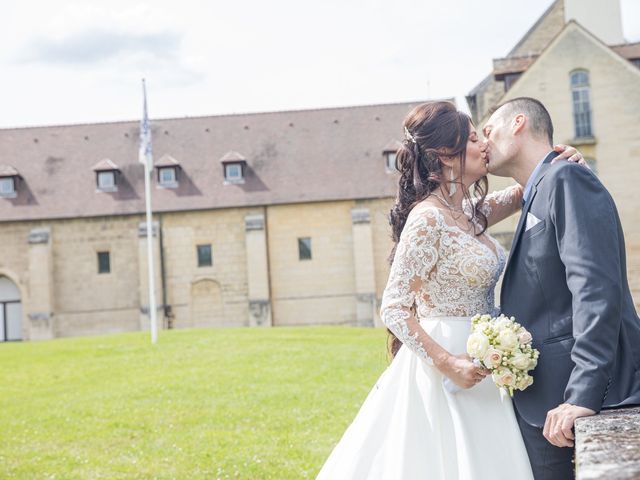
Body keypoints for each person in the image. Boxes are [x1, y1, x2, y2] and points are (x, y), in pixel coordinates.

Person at [316, 101, 584, 479]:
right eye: (474, 139)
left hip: (487, 361)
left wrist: (564, 156)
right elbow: (393, 307)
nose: (483, 146)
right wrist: (448, 363)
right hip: (447, 364)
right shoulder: (427, 218)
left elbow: (531, 183)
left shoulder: (473, 213)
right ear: (446, 155)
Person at [484, 97, 640, 480]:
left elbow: (595, 289)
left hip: (587, 395)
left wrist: (582, 395)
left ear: (518, 123)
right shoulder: (539, 187)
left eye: (488, 130)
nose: (482, 142)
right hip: (544, 399)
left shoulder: (565, 178)